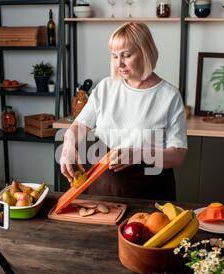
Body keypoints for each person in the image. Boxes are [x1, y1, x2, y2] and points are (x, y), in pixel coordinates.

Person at [60, 22, 187, 201]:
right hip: (104, 189)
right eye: (114, 56)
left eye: (126, 55)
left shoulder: (169, 95)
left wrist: (140, 154)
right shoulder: (105, 87)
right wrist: (68, 147)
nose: (119, 63)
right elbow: (78, 127)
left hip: (151, 194)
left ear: (145, 52)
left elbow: (178, 155)